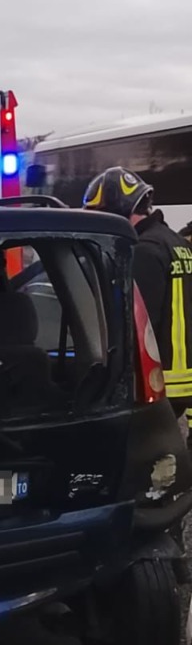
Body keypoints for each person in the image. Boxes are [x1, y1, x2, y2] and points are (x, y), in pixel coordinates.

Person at [83, 167, 192, 443]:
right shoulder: (175, 242)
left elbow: (138, 323)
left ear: (119, 211)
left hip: (165, 379)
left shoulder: (144, 250)